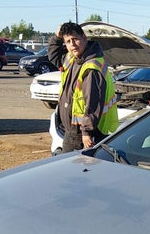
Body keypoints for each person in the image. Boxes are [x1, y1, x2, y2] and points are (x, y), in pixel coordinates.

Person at [47, 22, 118, 153]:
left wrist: (86, 131)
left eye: (75, 39)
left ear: (84, 38)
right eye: (67, 41)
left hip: (80, 135)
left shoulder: (91, 68)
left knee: (72, 169)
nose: (72, 44)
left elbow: (93, 102)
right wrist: (56, 38)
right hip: (71, 131)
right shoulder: (72, 58)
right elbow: (54, 56)